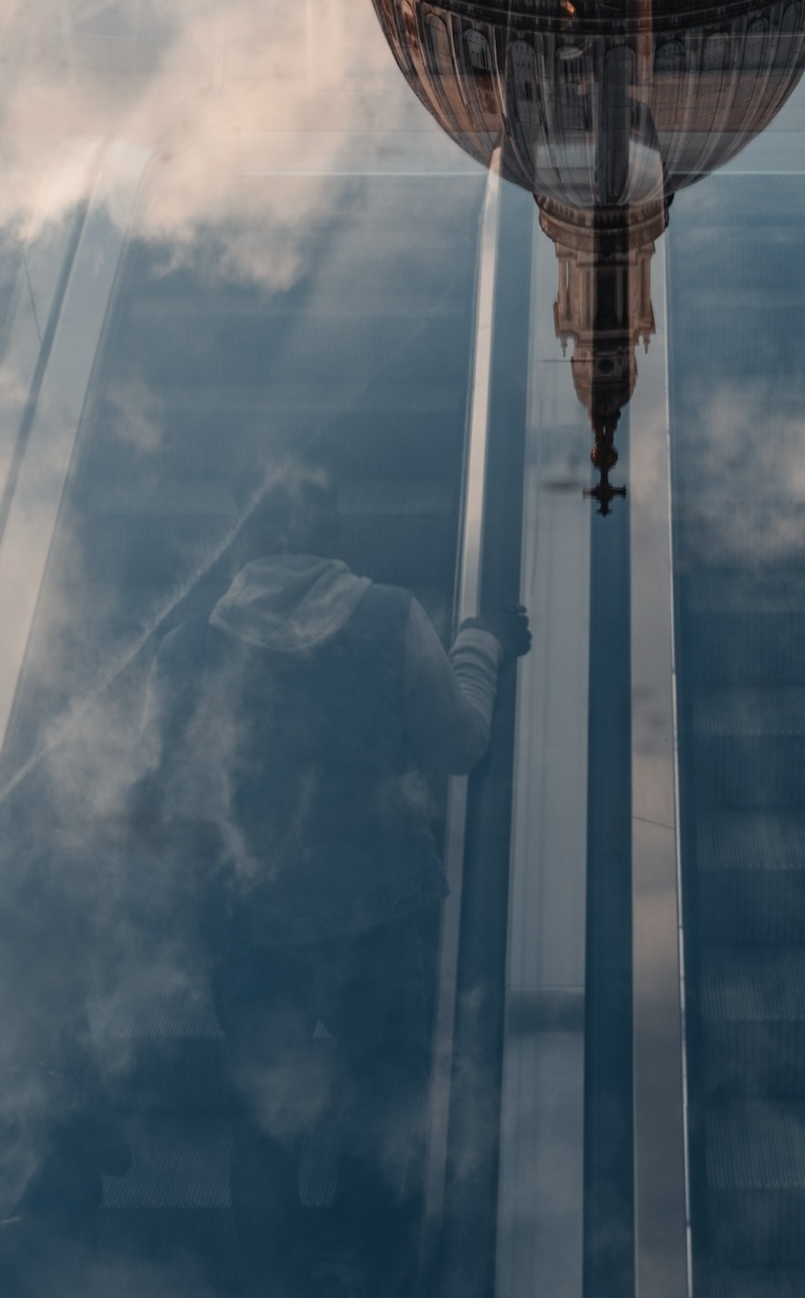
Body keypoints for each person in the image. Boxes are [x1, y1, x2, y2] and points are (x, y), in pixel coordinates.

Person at [133, 471, 530, 1296]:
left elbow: (155, 794)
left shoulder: (184, 648)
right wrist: (481, 644)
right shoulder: (389, 618)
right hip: (382, 914)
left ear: (246, 544)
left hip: (249, 925)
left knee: (263, 1118)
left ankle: (268, 1279)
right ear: (332, 538)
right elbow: (459, 745)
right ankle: (373, 1272)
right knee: (387, 1108)